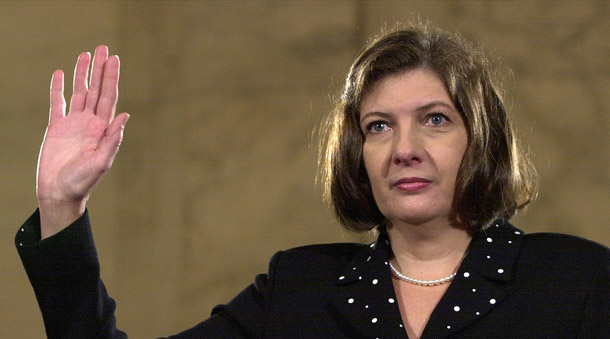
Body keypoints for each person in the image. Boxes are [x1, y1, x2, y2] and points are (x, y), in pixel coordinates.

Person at [16, 23, 609, 339]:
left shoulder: (577, 281)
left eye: (434, 120)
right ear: (358, 151)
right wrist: (60, 206)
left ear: (479, 137)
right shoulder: (297, 291)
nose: (404, 149)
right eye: (379, 126)